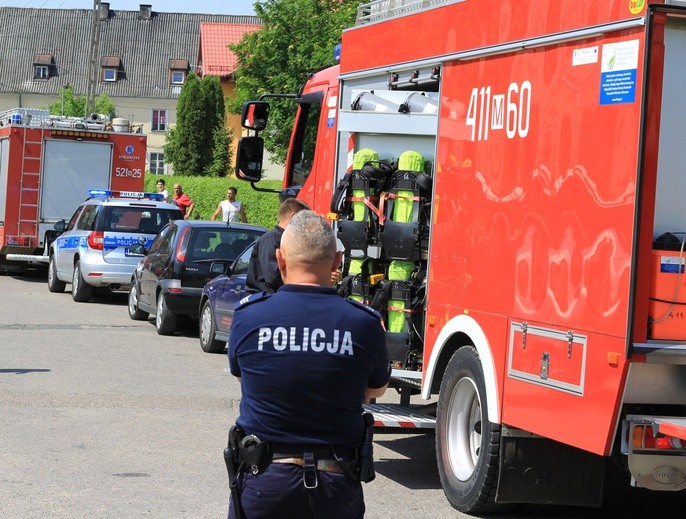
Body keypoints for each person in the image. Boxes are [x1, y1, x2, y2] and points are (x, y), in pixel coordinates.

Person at [227, 210, 390, 519]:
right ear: (337, 262)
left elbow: (244, 378)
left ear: (280, 258)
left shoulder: (249, 317)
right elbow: (378, 389)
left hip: (266, 478)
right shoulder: (363, 323)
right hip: (336, 482)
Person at [245, 197, 309, 293]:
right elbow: (273, 277)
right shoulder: (271, 240)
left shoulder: (288, 240)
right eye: (305, 219)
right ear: (293, 217)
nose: (306, 225)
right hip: (267, 300)